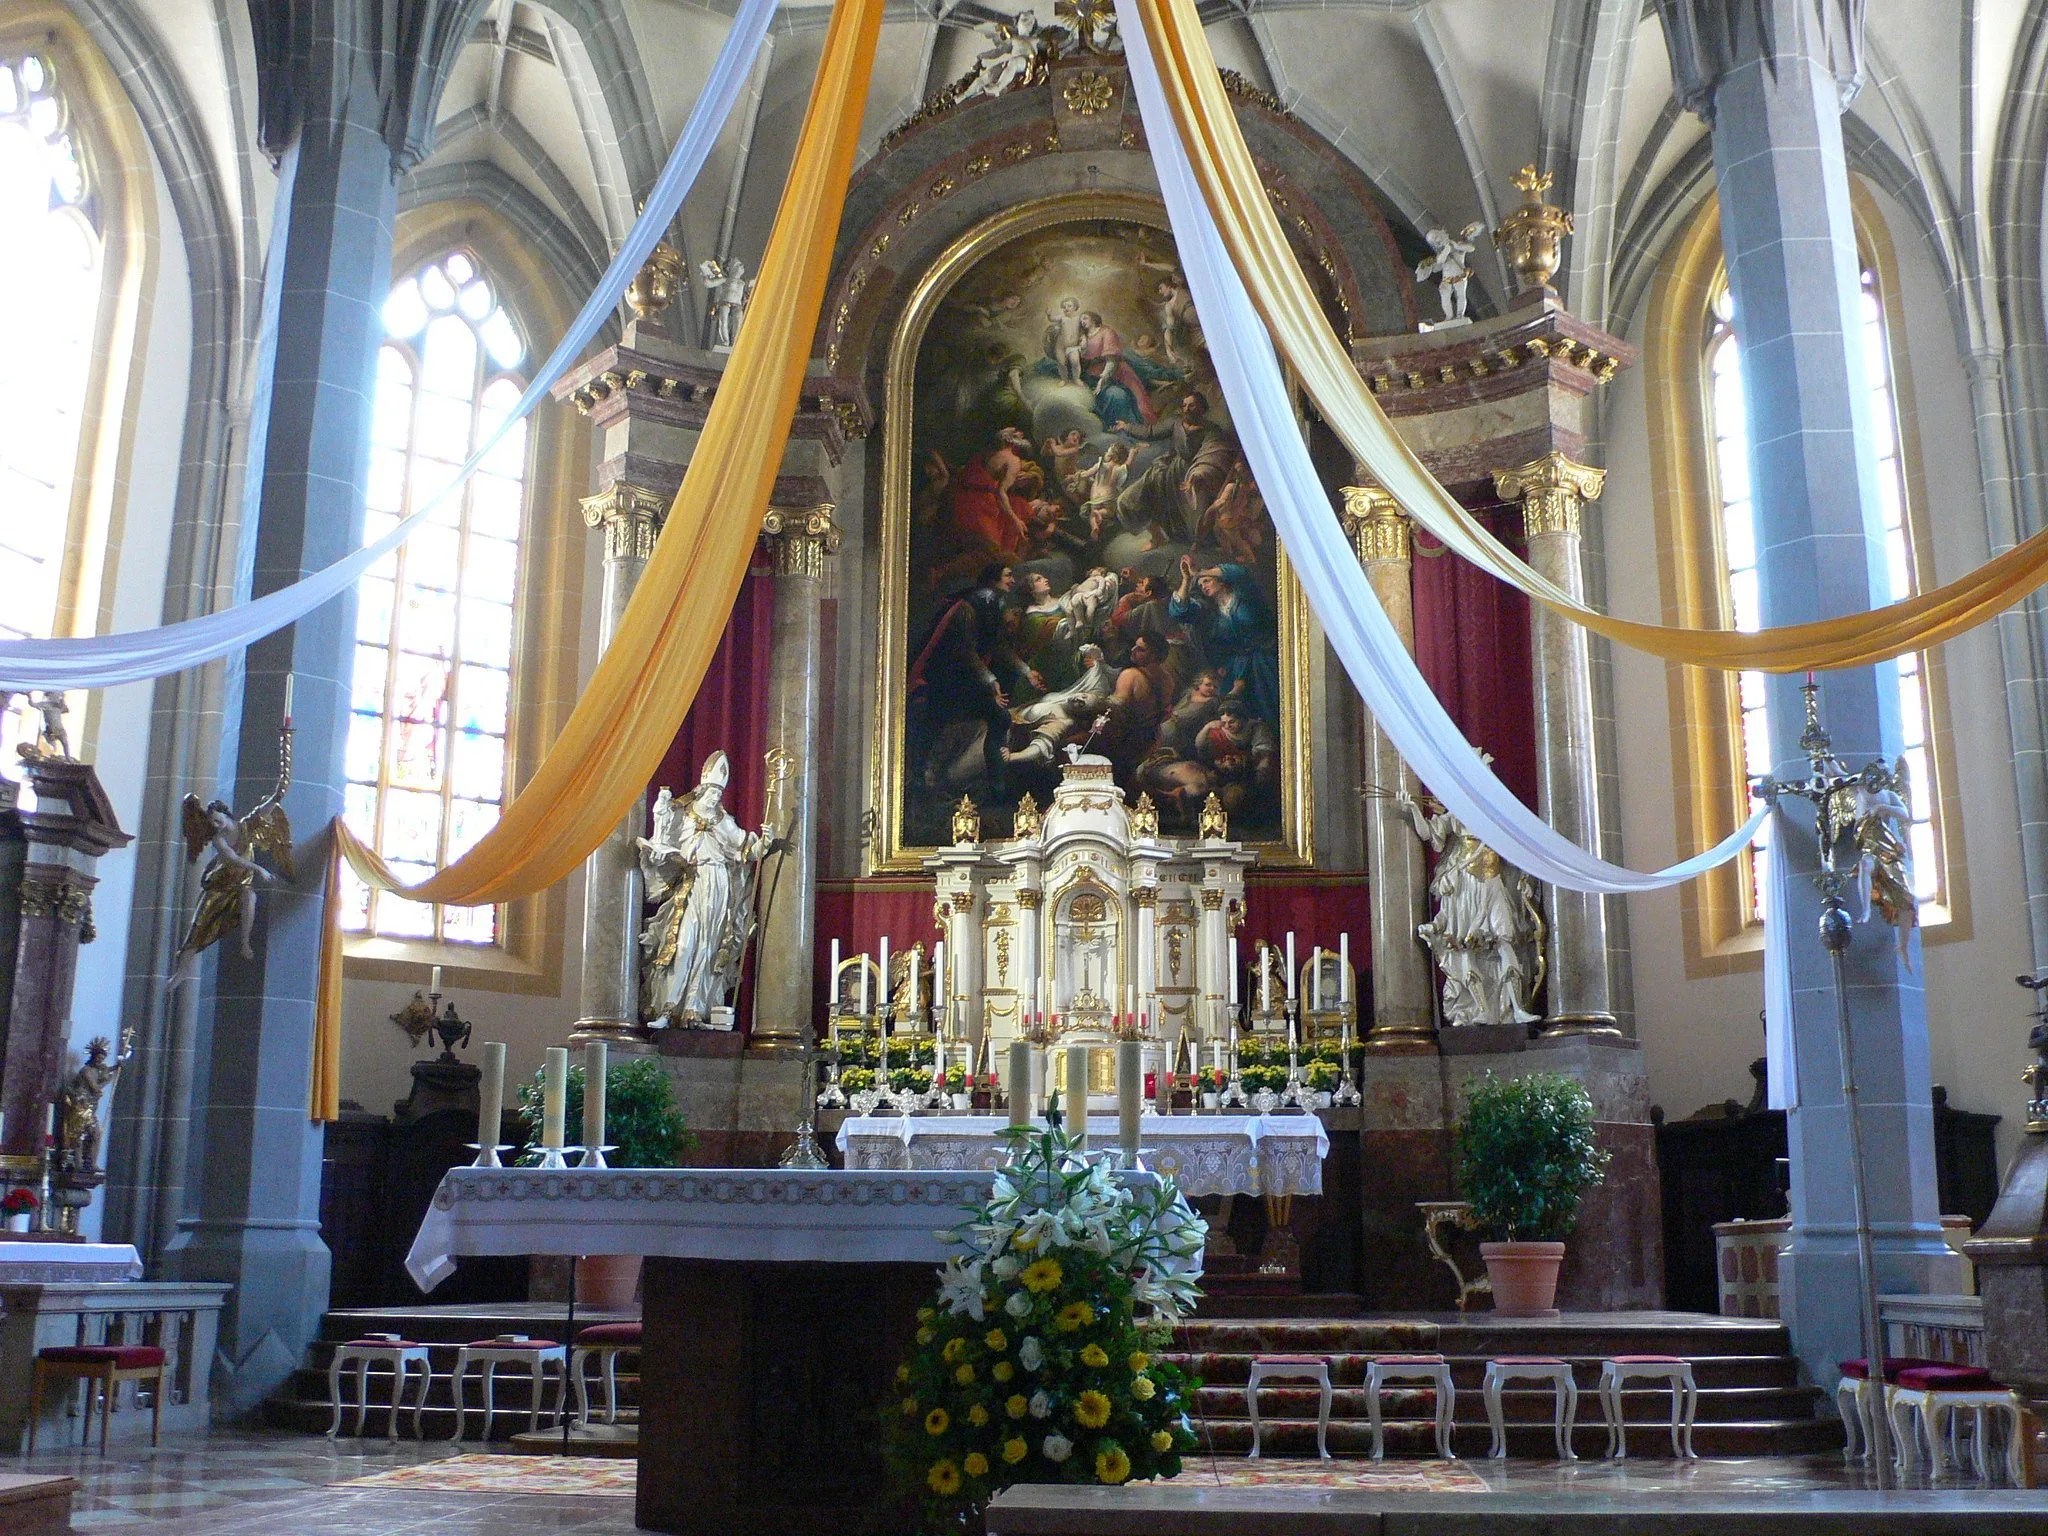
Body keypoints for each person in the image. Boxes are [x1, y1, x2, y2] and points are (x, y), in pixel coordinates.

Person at [638, 754, 782, 1028]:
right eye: (712, 790)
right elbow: (664, 840)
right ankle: (668, 1009)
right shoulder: (682, 814)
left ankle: (694, 1008)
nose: (716, 796)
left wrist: (765, 842)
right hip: (694, 882)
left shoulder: (724, 821)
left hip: (719, 885)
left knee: (708, 948)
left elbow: (746, 852)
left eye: (720, 791)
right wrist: (660, 854)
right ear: (702, 789)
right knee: (683, 944)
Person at [907, 564, 1043, 795]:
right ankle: (922, 779)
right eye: (1008, 575)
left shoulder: (992, 604)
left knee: (999, 718)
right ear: (993, 580)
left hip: (968, 680)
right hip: (946, 679)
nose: (1012, 580)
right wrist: (990, 681)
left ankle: (995, 784)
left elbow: (998, 646)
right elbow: (965, 651)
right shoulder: (969, 607)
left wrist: (1026, 670)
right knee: (933, 725)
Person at [1168, 557, 1280, 724]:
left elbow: (1240, 573)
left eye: (1207, 581)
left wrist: (1200, 572)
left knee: (1270, 707)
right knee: (1235, 713)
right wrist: (1187, 579)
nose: (1203, 586)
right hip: (1236, 667)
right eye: (1200, 585)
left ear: (1222, 582)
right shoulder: (1210, 613)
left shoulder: (1245, 595)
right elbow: (1179, 612)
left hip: (1264, 661)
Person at [1116, 391, 1236, 545]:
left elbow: (1211, 455)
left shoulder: (1211, 430)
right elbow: (1150, 432)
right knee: (1135, 497)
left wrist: (1198, 474)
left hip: (1194, 473)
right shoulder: (1175, 422)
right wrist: (1127, 427)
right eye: (1184, 405)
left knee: (1194, 517)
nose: (1186, 409)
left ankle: (1189, 539)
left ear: (1201, 408)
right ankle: (1157, 536)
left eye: (1192, 405)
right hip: (1170, 469)